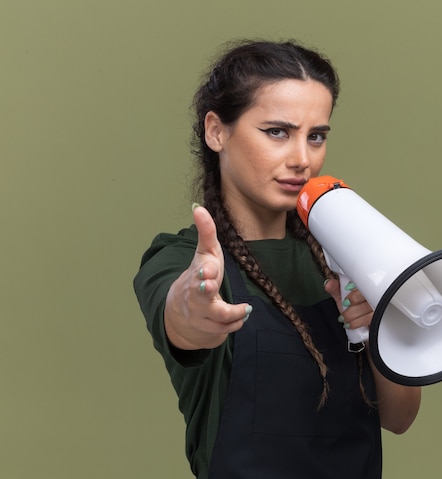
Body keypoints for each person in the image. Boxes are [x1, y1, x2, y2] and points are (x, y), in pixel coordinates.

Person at [133, 39, 421, 479]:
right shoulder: (183, 262)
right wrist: (194, 308)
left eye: (316, 136)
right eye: (277, 132)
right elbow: (182, 318)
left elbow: (399, 418)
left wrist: (383, 324)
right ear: (217, 131)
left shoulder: (344, 257)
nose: (302, 159)